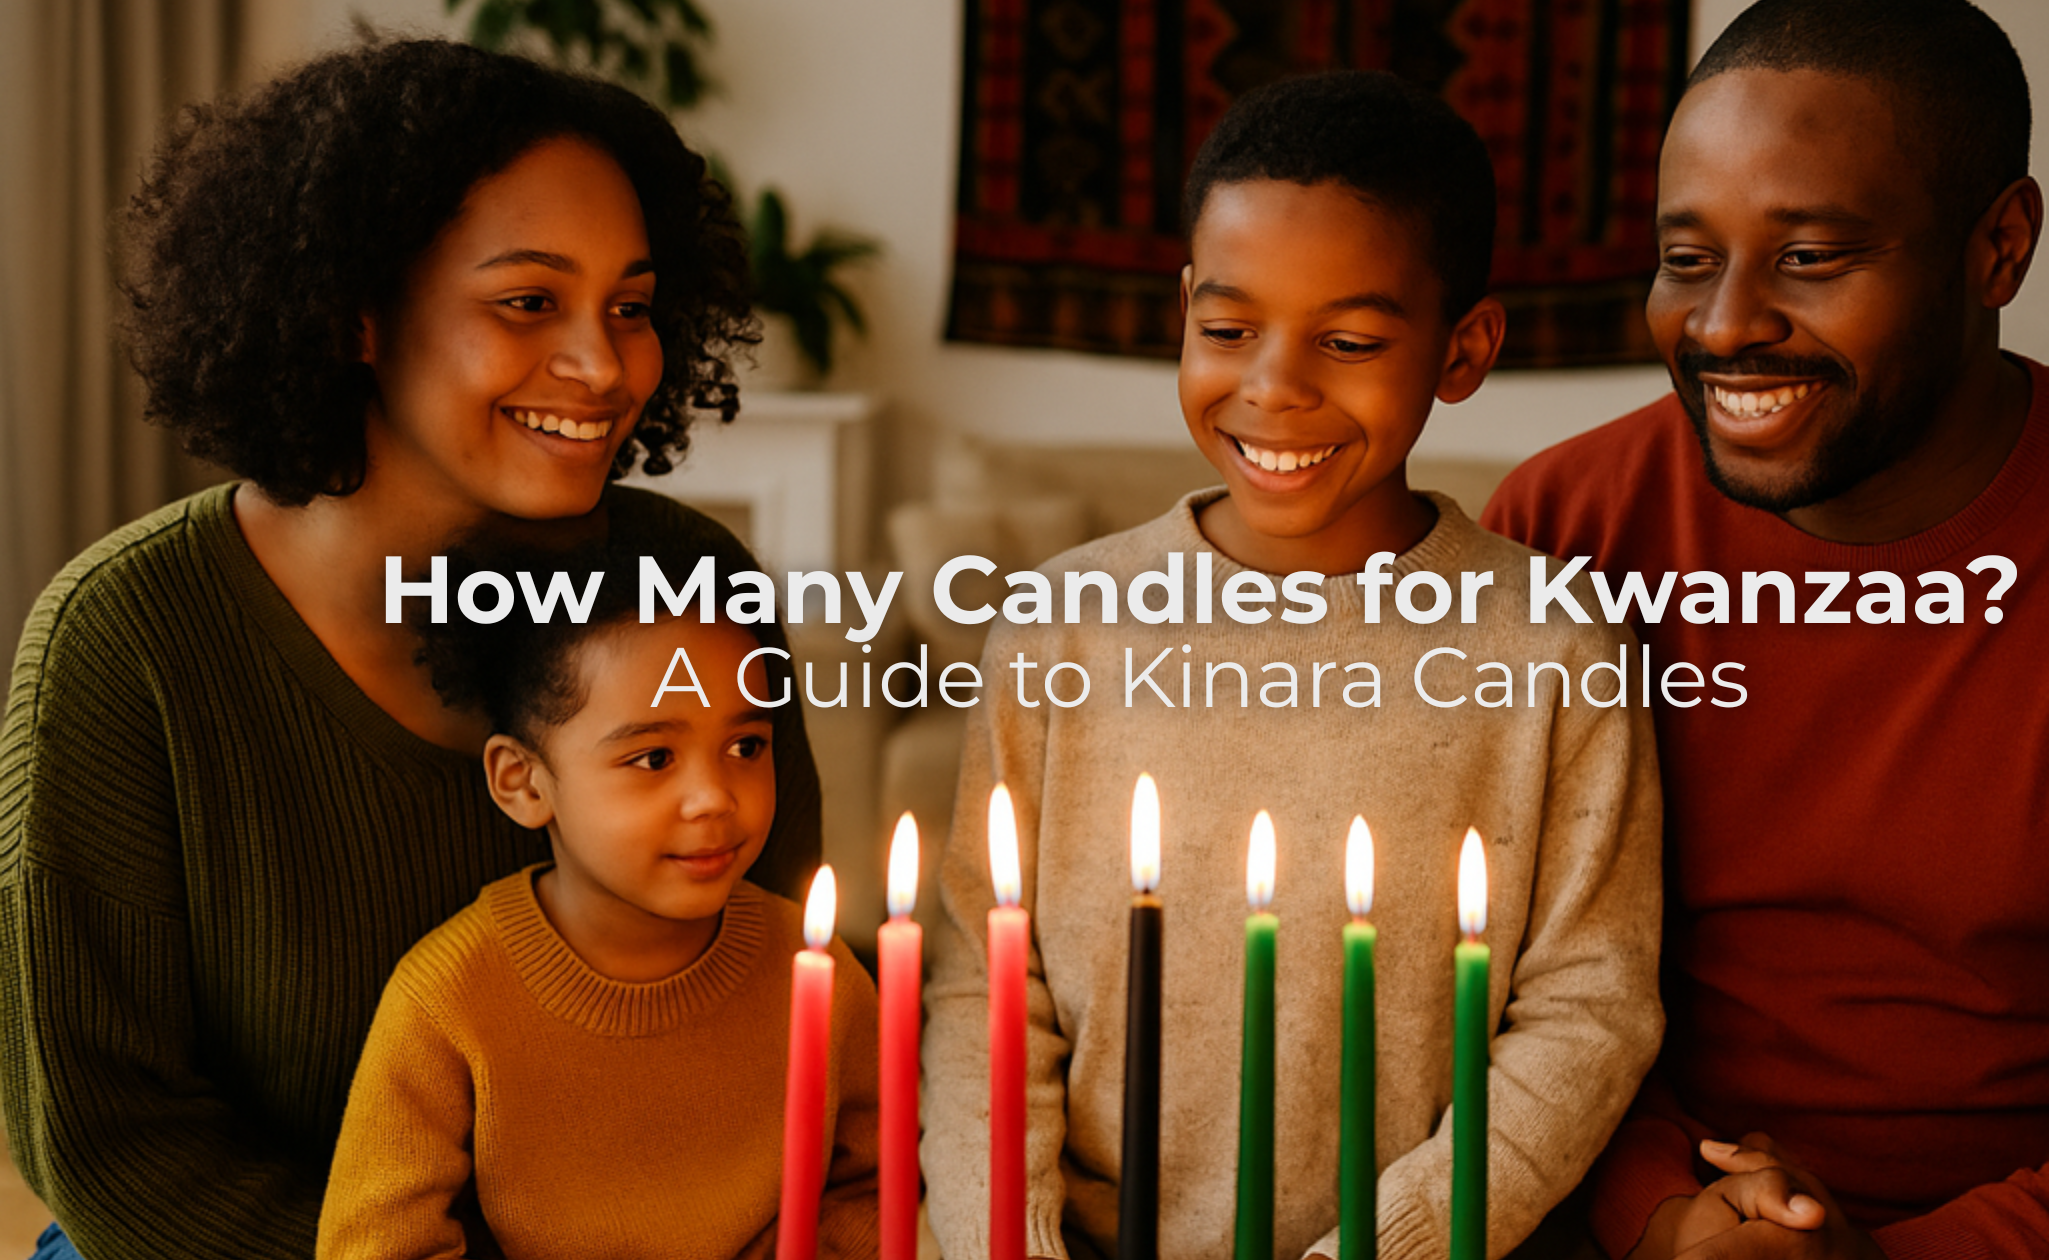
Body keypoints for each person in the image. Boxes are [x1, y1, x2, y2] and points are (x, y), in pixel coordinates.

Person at [1480, 2, 2049, 1257]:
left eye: (1810, 257)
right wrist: (1664, 1220)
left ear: (1999, 246)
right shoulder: (1562, 526)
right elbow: (1498, 978)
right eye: (1687, 257)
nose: (1723, 324)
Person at [0, 39, 821, 1260]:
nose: (604, 367)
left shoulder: (690, 586)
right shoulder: (123, 642)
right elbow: (112, 1144)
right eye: (528, 301)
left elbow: (771, 985)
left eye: (632, 307)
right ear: (356, 316)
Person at [919, 71, 1664, 1260]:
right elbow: (983, 982)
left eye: (1351, 340)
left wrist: (1397, 1241)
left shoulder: (1556, 645)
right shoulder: (1061, 624)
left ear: (1464, 349)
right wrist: (1005, 1239)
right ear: (1183, 312)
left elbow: (1592, 1008)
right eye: (1227, 330)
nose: (1274, 385)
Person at [316, 539, 877, 1260]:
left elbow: (876, 1184)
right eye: (653, 758)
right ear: (523, 782)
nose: (714, 799)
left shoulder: (814, 961)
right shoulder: (448, 998)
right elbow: (378, 1246)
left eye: (746, 747)